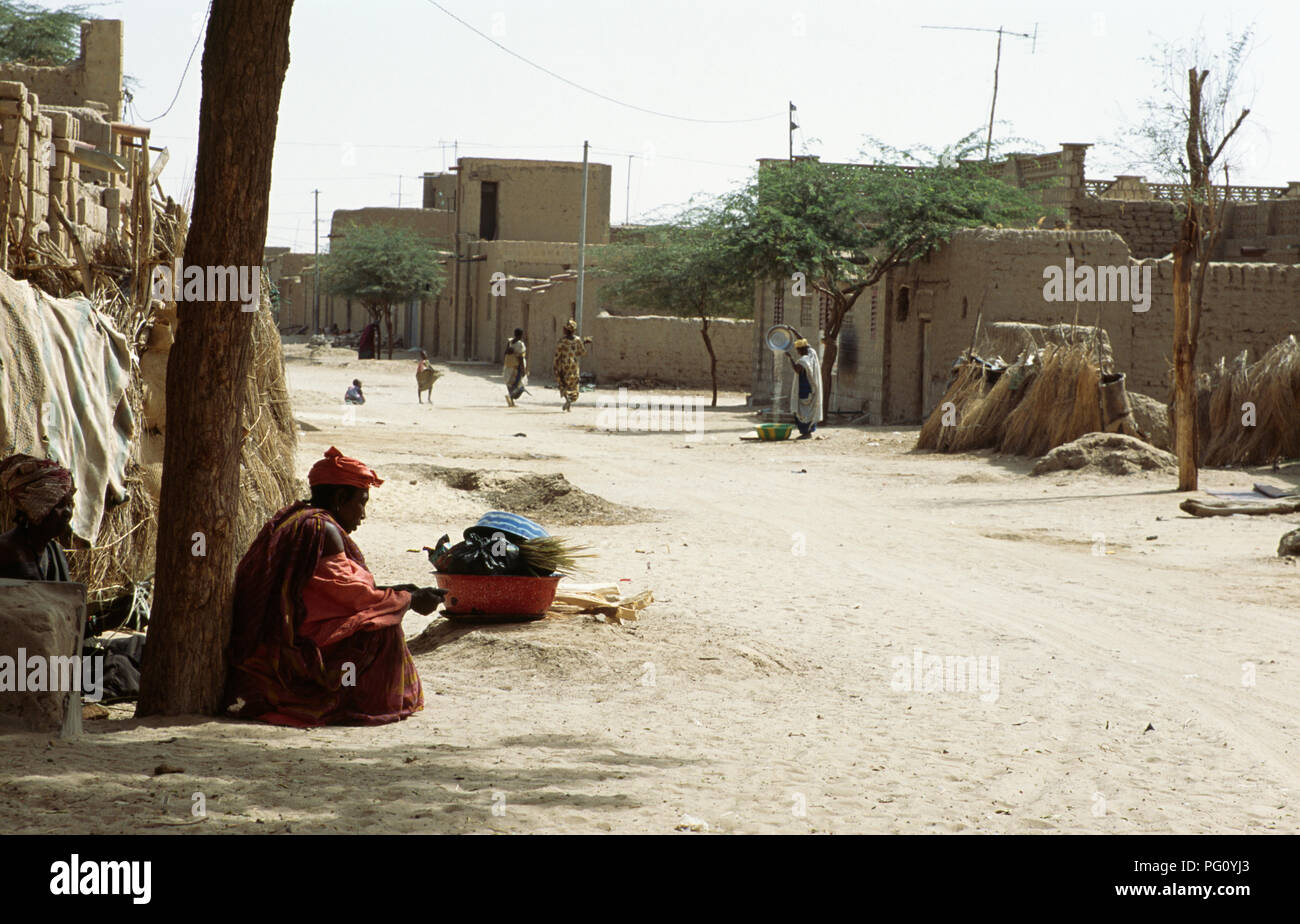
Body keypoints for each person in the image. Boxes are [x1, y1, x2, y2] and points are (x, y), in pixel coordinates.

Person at [224, 446, 444, 727]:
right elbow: (356, 600)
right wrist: (410, 600)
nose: (362, 514)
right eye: (361, 502)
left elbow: (327, 589)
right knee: (382, 628)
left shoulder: (294, 518)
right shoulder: (322, 531)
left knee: (386, 609)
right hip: (293, 649)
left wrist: (401, 590)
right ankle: (351, 705)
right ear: (341, 498)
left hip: (270, 639)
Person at [0, 454, 74, 581]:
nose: (68, 512)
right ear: (36, 507)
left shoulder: (55, 552)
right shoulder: (5, 551)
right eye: (59, 505)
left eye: (70, 504)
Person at [552, 318, 592, 412]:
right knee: (574, 384)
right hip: (573, 365)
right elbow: (582, 352)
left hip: (563, 365)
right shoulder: (577, 340)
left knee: (563, 383)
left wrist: (555, 365)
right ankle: (571, 400)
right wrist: (584, 343)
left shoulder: (562, 341)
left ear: (567, 330)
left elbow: (557, 354)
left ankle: (567, 399)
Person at [787, 338, 822, 439]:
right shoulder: (812, 355)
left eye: (798, 350)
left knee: (803, 412)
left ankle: (806, 432)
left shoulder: (804, 360)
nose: (797, 352)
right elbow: (808, 344)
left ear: (801, 350)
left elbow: (797, 369)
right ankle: (808, 432)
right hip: (809, 389)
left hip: (804, 390)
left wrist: (790, 358)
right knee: (809, 411)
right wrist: (794, 331)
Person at [503, 328, 528, 407]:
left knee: (509, 383)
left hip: (508, 365)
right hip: (516, 366)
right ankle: (511, 396)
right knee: (519, 384)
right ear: (521, 335)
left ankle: (511, 401)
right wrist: (523, 369)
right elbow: (521, 357)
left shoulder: (510, 342)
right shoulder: (520, 344)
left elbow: (505, 352)